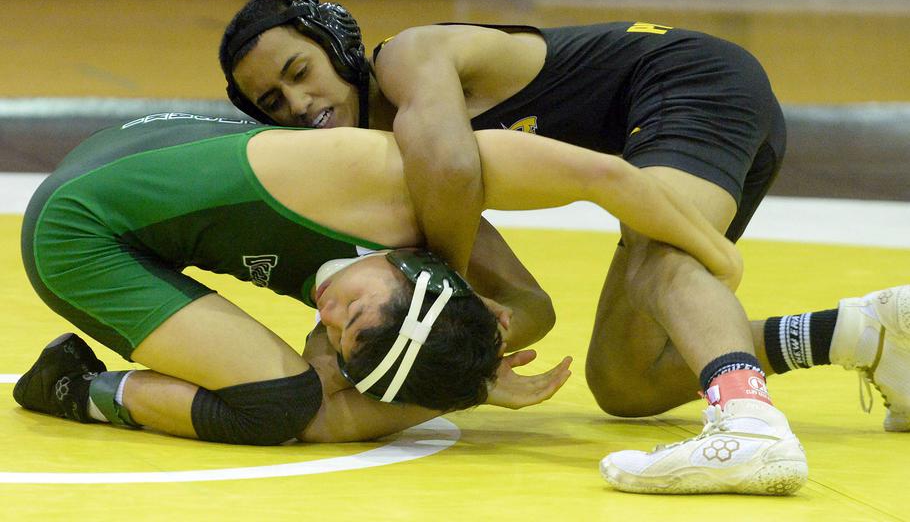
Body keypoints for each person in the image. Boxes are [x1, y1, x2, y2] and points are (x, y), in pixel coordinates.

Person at [217, 0, 910, 494]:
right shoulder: (393, 166)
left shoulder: (410, 58)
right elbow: (529, 305)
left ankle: (751, 424)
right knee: (625, 381)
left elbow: (456, 170)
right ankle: (863, 335)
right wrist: (476, 351)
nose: (299, 105)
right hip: (662, 131)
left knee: (656, 258)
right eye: (273, 103)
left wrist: (438, 294)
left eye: (299, 72)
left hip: (687, 82)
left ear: (337, 46)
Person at [14, 113, 738, 448]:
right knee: (276, 405)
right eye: (353, 314)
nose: (325, 317)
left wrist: (467, 382)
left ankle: (79, 381)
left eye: (338, 332)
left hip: (126, 147)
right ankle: (79, 392)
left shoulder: (386, 278)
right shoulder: (408, 181)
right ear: (409, 272)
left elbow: (529, 311)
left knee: (306, 392)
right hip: (76, 230)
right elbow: (600, 175)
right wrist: (719, 252)